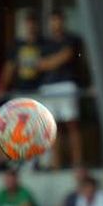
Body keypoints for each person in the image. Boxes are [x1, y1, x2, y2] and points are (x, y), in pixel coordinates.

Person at [37, 10, 83, 169]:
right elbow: (38, 64)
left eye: (58, 20)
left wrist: (49, 62)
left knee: (72, 124)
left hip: (66, 85)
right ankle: (56, 164)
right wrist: (53, 61)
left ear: (63, 21)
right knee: (53, 127)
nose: (55, 24)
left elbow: (66, 56)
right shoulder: (44, 42)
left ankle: (77, 162)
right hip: (48, 87)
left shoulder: (72, 39)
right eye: (52, 20)